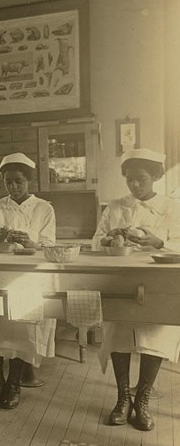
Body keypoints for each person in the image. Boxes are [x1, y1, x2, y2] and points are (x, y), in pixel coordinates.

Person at [92, 148, 180, 431]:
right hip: (121, 280)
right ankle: (122, 399)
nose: (135, 185)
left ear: (155, 176)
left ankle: (141, 400)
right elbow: (95, 241)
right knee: (119, 335)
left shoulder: (172, 207)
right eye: (130, 180)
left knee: (154, 336)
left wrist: (158, 242)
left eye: (141, 179)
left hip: (159, 284)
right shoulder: (116, 207)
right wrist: (109, 239)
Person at [0, 153, 56, 409]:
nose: (14, 187)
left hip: (29, 278)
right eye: (9, 182)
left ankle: (13, 384)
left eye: (19, 181)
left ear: (29, 180)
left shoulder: (44, 208)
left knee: (22, 330)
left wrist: (30, 243)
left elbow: (50, 246)